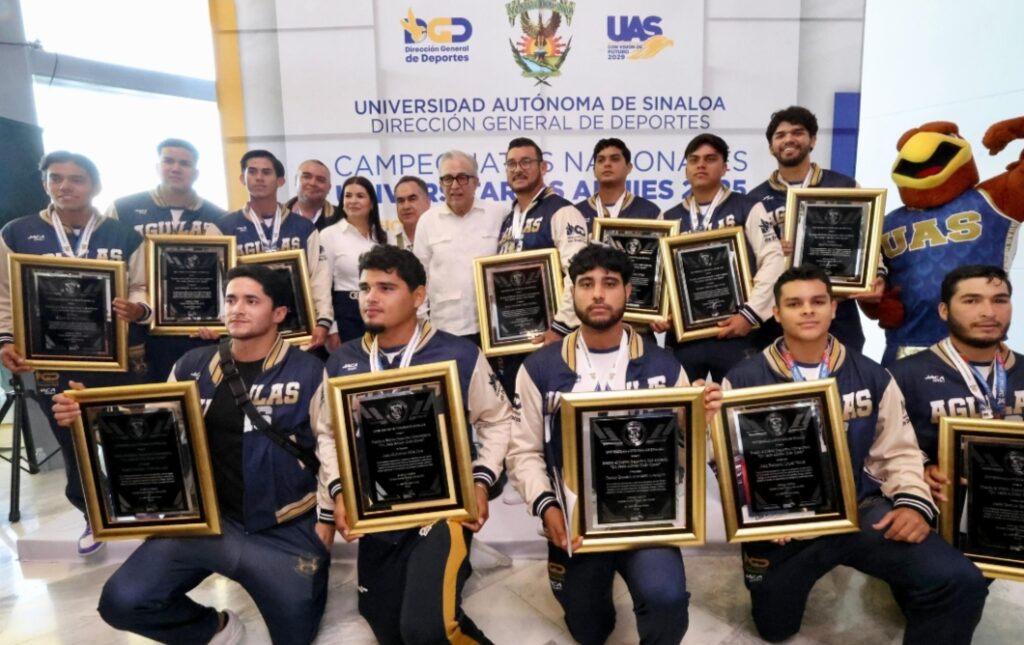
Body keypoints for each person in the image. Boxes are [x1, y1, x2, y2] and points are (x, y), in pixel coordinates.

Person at [53, 264, 330, 645]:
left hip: (284, 527)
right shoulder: (191, 365)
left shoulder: (310, 372)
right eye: (231, 299)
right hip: (207, 524)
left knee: (295, 638)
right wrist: (92, 416)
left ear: (279, 313)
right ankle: (215, 629)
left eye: (252, 301)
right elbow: (154, 435)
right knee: (122, 601)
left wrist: (326, 521)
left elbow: (333, 450)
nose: (237, 309)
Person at [722, 264, 988, 644]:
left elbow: (898, 450)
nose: (808, 310)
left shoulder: (873, 375)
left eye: (818, 301)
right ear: (776, 313)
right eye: (795, 304)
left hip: (860, 510)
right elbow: (727, 462)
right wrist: (761, 515)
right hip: (785, 525)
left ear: (834, 307)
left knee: (959, 580)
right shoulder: (743, 379)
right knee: (774, 628)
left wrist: (912, 503)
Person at [506, 244, 722, 645]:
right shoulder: (540, 368)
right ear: (572, 292)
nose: (598, 294)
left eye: (609, 283)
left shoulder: (664, 366)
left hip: (646, 516)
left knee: (666, 599)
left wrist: (692, 423)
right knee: (589, 629)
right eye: (586, 284)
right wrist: (547, 506)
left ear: (628, 291)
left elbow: (688, 457)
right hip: (577, 519)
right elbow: (523, 451)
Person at [313, 245, 513, 644]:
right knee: (387, 629)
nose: (370, 298)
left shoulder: (459, 353)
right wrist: (338, 491)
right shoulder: (342, 361)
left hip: (443, 512)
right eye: (364, 288)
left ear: (418, 296)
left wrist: (480, 481)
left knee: (424, 628)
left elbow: (498, 419)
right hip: (378, 513)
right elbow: (329, 433)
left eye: (386, 288)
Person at [0, 151, 151, 555]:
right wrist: (6, 339)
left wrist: (138, 308)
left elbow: (142, 286)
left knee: (127, 433)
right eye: (56, 178)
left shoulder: (122, 235)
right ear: (45, 183)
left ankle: (143, 502)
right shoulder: (18, 233)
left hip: (117, 356)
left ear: (95, 186)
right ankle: (93, 515)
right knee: (73, 441)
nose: (65, 186)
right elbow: (5, 294)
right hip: (54, 359)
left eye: (76, 179)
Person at [746, 106, 878, 352]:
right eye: (780, 135)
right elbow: (749, 261)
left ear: (813, 140)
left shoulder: (844, 186)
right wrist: (772, 250)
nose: (788, 139)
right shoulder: (754, 200)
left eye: (797, 132)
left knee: (844, 372)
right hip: (777, 312)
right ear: (771, 147)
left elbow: (869, 240)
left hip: (836, 306)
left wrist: (875, 275)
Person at [890, 265, 1024, 503]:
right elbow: (883, 450)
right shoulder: (903, 375)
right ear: (944, 311)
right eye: (971, 301)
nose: (989, 312)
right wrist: (920, 468)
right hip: (941, 508)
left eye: (1000, 300)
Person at [661, 133, 784, 381]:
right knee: (683, 402)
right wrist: (661, 312)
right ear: (686, 168)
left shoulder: (749, 207)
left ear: (725, 167)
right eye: (694, 160)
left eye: (710, 159)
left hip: (737, 332)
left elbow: (773, 259)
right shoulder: (668, 217)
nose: (701, 165)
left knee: (739, 401)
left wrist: (750, 314)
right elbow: (660, 276)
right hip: (685, 337)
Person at [107, 138, 227, 381]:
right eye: (168, 161)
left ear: (196, 172)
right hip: (141, 328)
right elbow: (109, 264)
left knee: (201, 393)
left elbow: (226, 276)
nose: (175, 168)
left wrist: (221, 320)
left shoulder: (219, 216)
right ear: (157, 166)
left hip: (199, 328)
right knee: (150, 397)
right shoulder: (122, 209)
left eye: (184, 163)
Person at [495, 136, 588, 396]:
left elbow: (579, 274)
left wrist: (560, 327)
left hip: (552, 339)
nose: (518, 169)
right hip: (513, 341)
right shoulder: (508, 220)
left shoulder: (562, 211)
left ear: (543, 167)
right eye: (511, 164)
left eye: (526, 162)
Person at [221, 150, 332, 353]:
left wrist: (323, 320)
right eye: (252, 171)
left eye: (266, 172)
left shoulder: (304, 227)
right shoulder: (224, 227)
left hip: (298, 329)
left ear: (280, 181)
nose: (259, 177)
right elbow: (217, 282)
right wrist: (217, 321)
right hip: (245, 331)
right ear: (242, 178)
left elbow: (319, 278)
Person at [413, 151, 505, 343]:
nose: (454, 186)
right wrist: (421, 324)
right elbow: (419, 277)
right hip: (446, 328)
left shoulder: (499, 214)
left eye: (462, 178)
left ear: (476, 182)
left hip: (495, 326)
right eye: (448, 179)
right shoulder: (427, 221)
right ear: (440, 184)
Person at [321, 175, 389, 348]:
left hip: (380, 310)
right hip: (346, 313)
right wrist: (331, 327)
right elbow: (322, 285)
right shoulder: (329, 235)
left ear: (371, 203)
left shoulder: (383, 237)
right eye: (348, 195)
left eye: (360, 196)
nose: (353, 201)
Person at [575, 137, 660, 229]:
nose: (607, 164)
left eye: (614, 159)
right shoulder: (575, 213)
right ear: (594, 170)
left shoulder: (650, 212)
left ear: (628, 167)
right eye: (601, 160)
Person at [284, 159, 339, 231]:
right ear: (296, 181)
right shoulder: (276, 216)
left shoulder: (342, 219)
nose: (312, 183)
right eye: (306, 177)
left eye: (320, 180)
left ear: (329, 188)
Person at [390, 175, 431, 250]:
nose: (406, 206)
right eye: (401, 201)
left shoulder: (442, 236)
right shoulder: (388, 242)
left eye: (412, 199)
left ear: (427, 202)